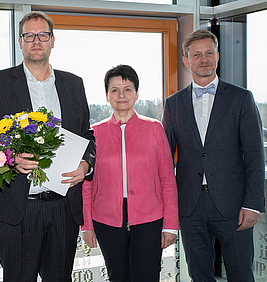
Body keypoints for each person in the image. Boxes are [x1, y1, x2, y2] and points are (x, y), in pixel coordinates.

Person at [0, 11, 96, 282]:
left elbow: (86, 134)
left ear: (53, 41)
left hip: (63, 208)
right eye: (29, 35)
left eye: (42, 35)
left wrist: (86, 164)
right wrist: (10, 160)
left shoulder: (73, 84)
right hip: (17, 208)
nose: (36, 41)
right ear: (20, 41)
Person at [162, 29, 265, 281]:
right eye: (196, 54)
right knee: (199, 275)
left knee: (241, 274)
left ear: (218, 57)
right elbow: (163, 158)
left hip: (234, 206)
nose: (203, 59)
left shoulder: (241, 98)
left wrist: (252, 205)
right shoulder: (172, 104)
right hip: (190, 207)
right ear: (186, 61)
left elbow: (254, 155)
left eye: (209, 53)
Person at [82, 65, 178, 281]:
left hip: (149, 218)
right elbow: (86, 183)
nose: (121, 95)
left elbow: (167, 179)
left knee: (147, 275)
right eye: (114, 90)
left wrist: (171, 224)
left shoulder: (154, 129)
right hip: (106, 219)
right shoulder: (95, 133)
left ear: (137, 94)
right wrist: (86, 224)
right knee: (118, 276)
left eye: (127, 89)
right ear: (106, 96)